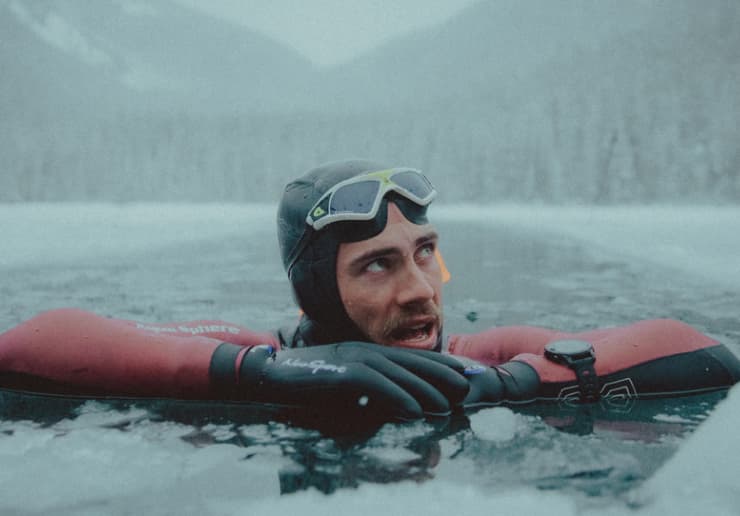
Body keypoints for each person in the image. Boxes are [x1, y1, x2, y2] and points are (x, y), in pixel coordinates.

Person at [1, 159, 738, 423]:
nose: (422, 292)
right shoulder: (264, 350)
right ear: (318, 291)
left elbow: (704, 349)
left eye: (424, 253)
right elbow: (29, 343)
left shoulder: (477, 354)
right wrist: (263, 375)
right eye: (378, 265)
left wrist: (510, 385)